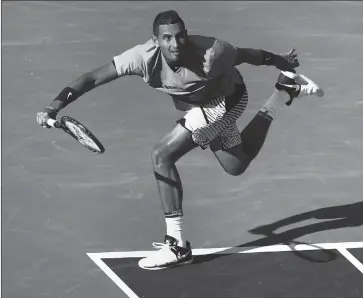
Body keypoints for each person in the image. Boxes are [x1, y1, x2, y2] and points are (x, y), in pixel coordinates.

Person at [36, 10, 323, 270]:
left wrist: (280, 60)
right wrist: (55, 107)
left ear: (186, 34)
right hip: (198, 106)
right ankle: (283, 92)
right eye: (167, 38)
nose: (175, 44)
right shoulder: (140, 57)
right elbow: (92, 78)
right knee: (236, 165)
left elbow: (248, 55)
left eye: (180, 36)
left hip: (226, 101)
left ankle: (175, 245)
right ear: (155, 40)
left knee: (162, 155)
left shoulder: (213, 53)